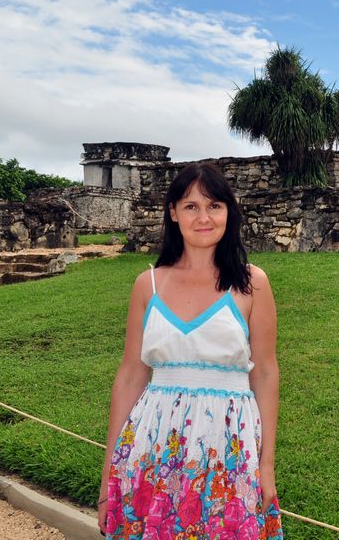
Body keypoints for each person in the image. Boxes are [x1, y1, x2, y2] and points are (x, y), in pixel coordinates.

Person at [98, 162, 283, 539]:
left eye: (214, 206)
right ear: (173, 212)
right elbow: (132, 375)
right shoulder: (147, 284)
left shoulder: (252, 284)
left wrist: (266, 466)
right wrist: (109, 473)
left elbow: (264, 373)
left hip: (227, 444)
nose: (204, 217)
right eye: (191, 206)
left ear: (229, 212)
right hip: (152, 443)